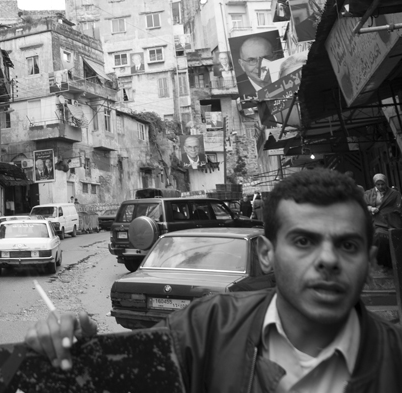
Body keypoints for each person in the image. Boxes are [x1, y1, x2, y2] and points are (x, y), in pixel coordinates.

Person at [26, 168, 402, 392]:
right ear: (267, 255)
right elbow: (124, 378)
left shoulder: (394, 357)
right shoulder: (207, 327)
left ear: (368, 261)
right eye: (303, 241)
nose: (327, 260)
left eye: (347, 245)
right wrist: (83, 352)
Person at [364, 174, 402, 269]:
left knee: (395, 237)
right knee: (380, 238)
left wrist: (392, 212)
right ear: (375, 184)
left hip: (392, 220)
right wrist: (371, 208)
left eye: (383, 184)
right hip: (376, 221)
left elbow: (399, 206)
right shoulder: (368, 193)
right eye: (378, 184)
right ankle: (384, 263)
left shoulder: (394, 193)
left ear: (386, 183)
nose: (381, 186)